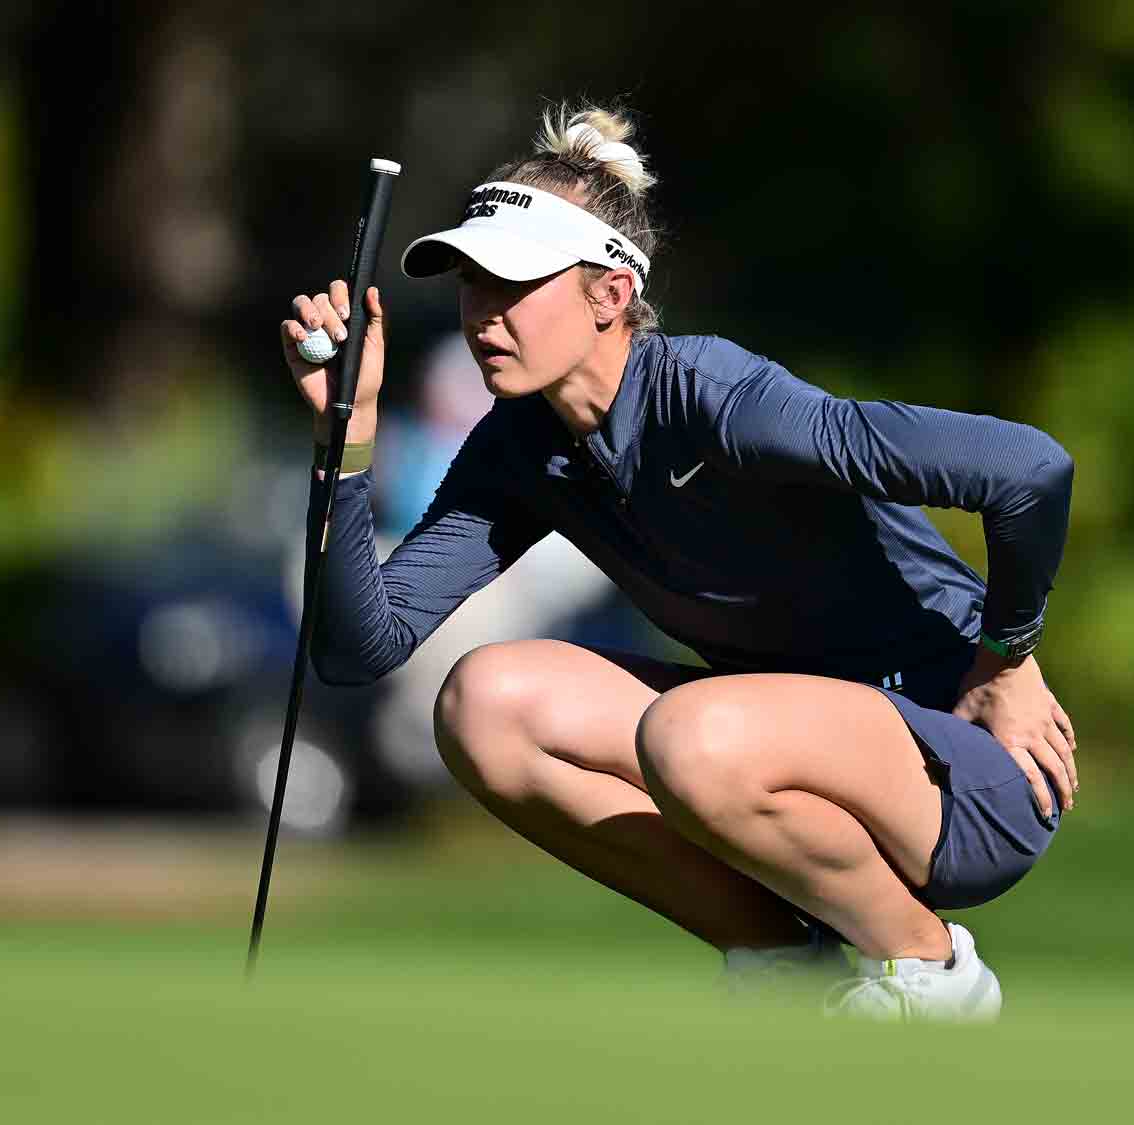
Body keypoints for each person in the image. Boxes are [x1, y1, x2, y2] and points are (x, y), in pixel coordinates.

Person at [279, 103, 1078, 1022]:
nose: (482, 312)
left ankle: (931, 970)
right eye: (470, 282)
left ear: (609, 297)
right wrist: (348, 436)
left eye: (515, 282)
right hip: (751, 755)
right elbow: (357, 649)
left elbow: (1026, 468)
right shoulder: (519, 446)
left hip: (965, 764)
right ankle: (786, 961)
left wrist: (1007, 654)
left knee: (690, 736)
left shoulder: (720, 398)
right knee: (483, 705)